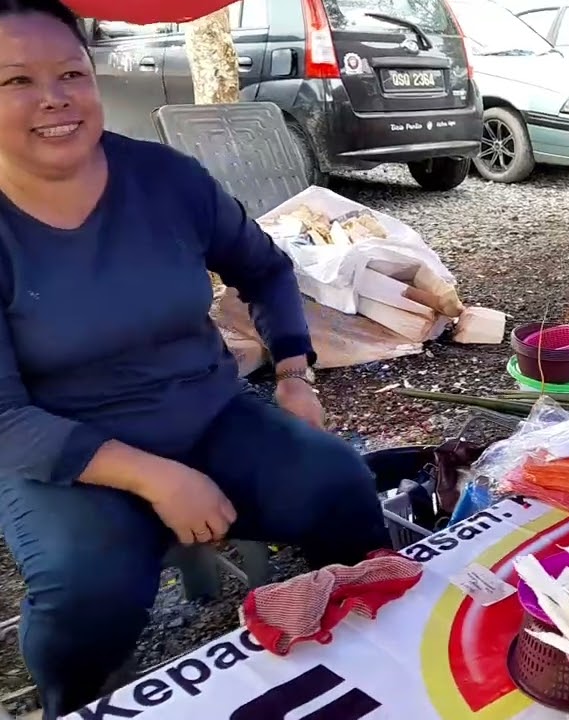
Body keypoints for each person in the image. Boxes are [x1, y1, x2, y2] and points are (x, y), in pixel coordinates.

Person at [0, 2, 392, 716]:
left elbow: (265, 269)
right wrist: (156, 478)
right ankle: (71, 703)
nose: (53, 97)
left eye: (70, 73)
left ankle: (363, 650)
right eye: (15, 81)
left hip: (208, 415)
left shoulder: (165, 179)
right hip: (65, 456)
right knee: (89, 593)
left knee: (338, 483)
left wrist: (295, 374)